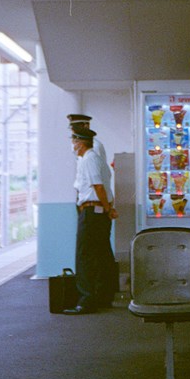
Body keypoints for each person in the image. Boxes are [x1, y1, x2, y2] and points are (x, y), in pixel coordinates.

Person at [64, 126, 118, 314]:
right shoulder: (96, 158)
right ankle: (104, 296)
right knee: (102, 253)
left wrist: (109, 209)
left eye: (73, 141)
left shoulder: (89, 158)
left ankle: (86, 300)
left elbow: (98, 186)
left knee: (85, 255)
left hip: (92, 212)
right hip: (98, 211)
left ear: (80, 143)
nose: (72, 145)